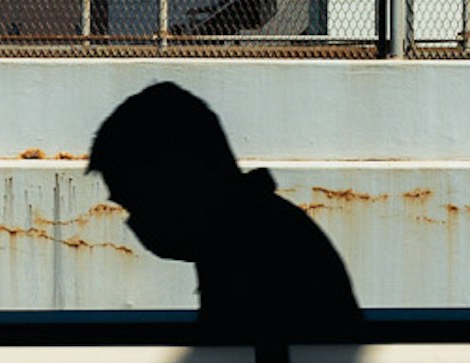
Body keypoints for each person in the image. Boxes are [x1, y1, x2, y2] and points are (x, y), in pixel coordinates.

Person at [87, 81, 364, 341]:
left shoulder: (250, 257)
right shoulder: (256, 232)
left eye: (135, 202)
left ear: (176, 181)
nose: (137, 221)